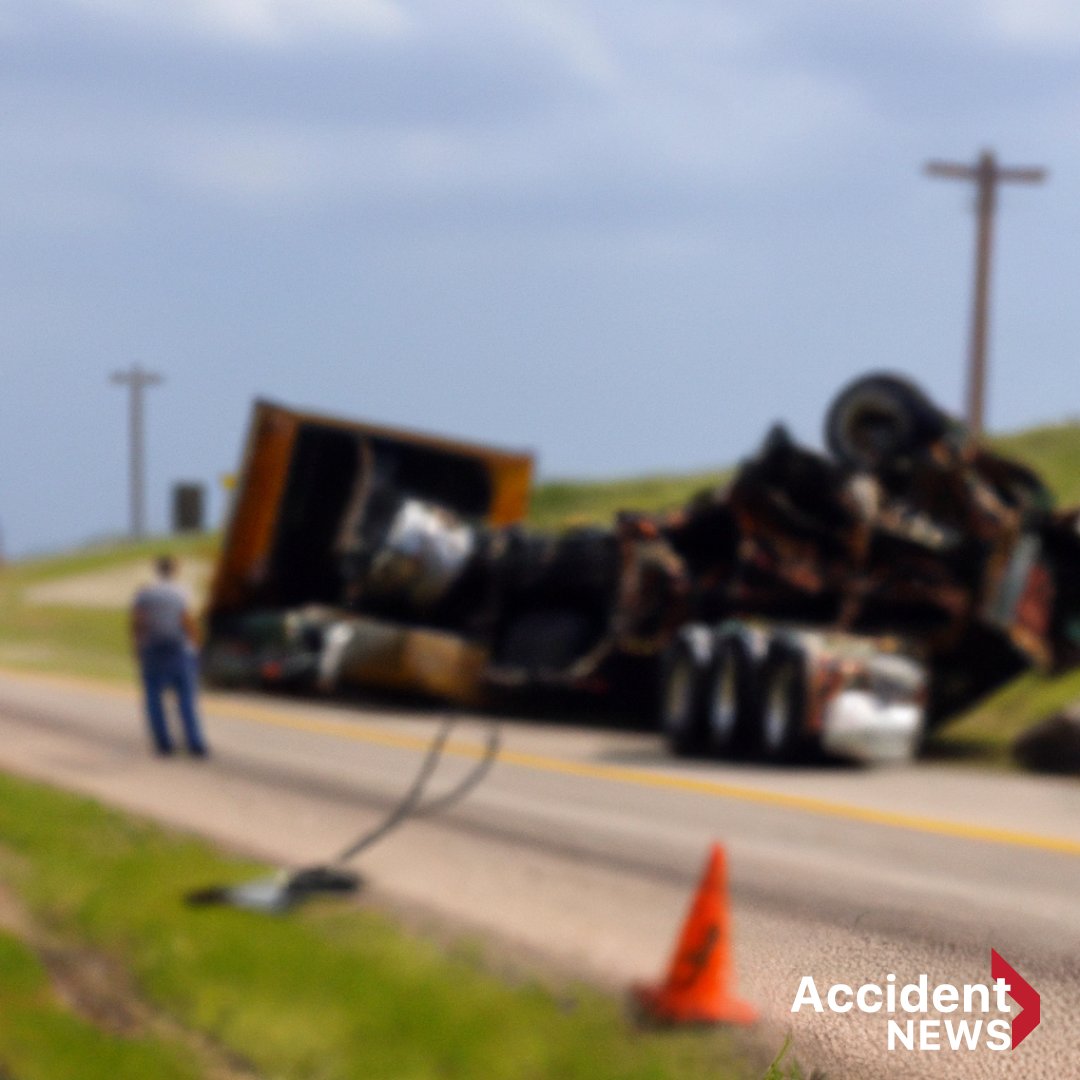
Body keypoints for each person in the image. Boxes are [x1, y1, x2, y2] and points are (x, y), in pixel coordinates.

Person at [131, 555, 209, 757]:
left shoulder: (145, 593)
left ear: (157, 570)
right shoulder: (180, 592)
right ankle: (194, 742)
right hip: (178, 649)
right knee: (186, 699)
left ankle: (164, 744)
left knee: (154, 699)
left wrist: (137, 647)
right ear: (174, 570)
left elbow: (138, 622)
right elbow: (187, 620)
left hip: (153, 649)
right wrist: (197, 645)